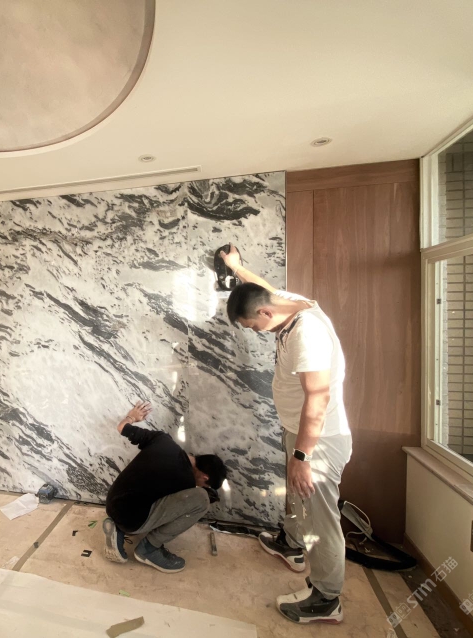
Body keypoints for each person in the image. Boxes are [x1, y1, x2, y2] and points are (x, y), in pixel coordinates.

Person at [221, 244, 352, 625]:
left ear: (265, 313)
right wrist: (236, 267)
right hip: (298, 431)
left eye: (253, 326)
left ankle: (327, 598)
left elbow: (319, 397)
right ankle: (291, 544)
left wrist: (303, 456)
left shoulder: (307, 334)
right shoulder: (287, 305)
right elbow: (262, 287)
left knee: (320, 520)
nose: (256, 332)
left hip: (317, 443)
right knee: (296, 498)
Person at [102, 401, 228, 574]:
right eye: (204, 484)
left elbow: (122, 427)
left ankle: (118, 528)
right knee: (202, 500)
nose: (200, 486)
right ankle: (148, 549)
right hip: (131, 521)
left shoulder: (163, 439)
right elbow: (172, 512)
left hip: (112, 503)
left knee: (143, 497)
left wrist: (132, 417)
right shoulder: (185, 482)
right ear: (205, 477)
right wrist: (201, 492)